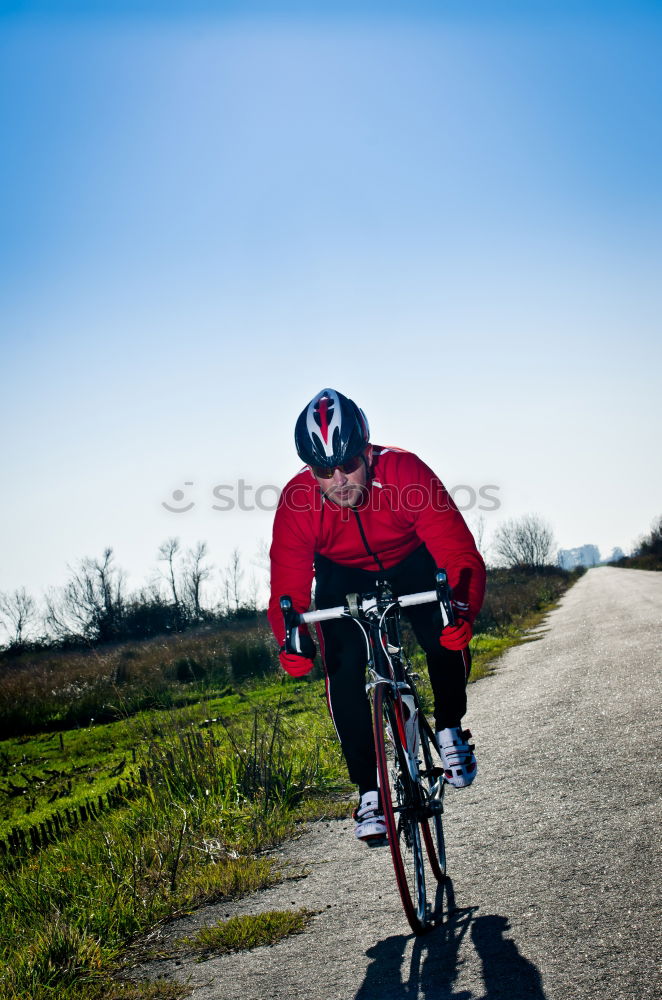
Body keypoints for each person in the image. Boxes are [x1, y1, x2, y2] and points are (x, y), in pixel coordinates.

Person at [267, 388, 486, 842]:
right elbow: (287, 591)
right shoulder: (297, 502)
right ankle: (370, 791)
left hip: (412, 556)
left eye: (348, 464)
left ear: (367, 452)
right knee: (342, 667)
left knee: (442, 625)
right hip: (341, 572)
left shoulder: (406, 471)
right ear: (312, 471)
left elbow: (457, 552)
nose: (340, 478)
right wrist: (292, 641)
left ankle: (450, 730)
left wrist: (462, 608)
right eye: (325, 471)